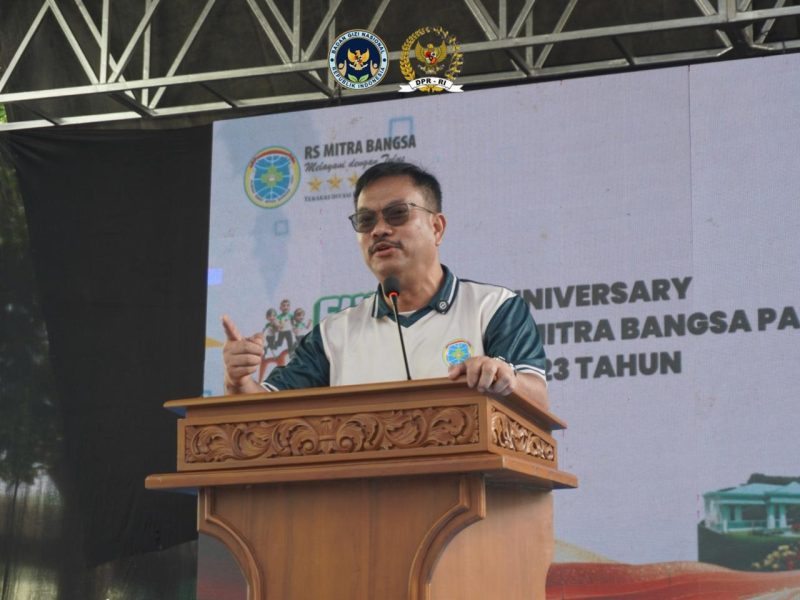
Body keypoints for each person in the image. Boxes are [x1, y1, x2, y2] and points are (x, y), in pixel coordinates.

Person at [222, 162, 548, 409]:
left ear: (436, 227)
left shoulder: (493, 307)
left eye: (397, 214)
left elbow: (537, 399)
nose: (379, 230)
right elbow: (265, 410)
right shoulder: (333, 335)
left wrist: (505, 379)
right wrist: (238, 381)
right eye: (366, 220)